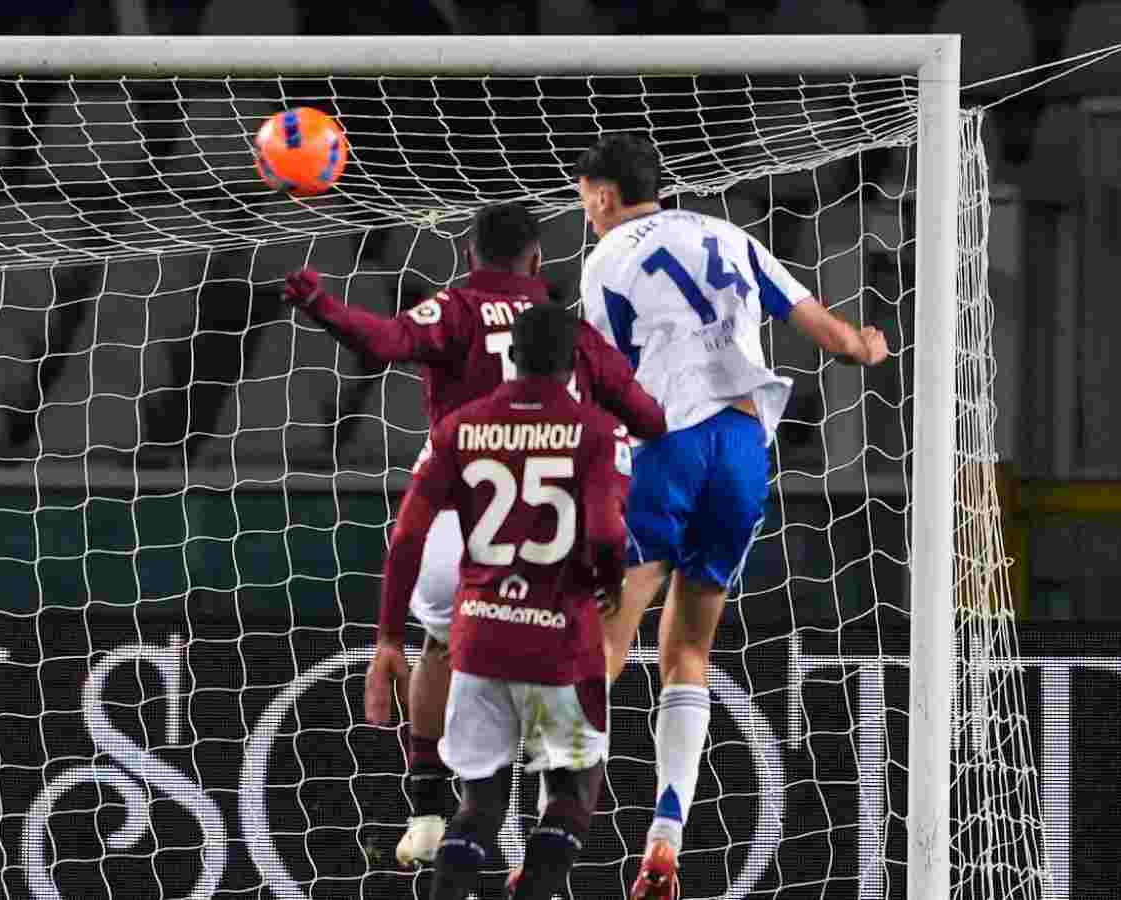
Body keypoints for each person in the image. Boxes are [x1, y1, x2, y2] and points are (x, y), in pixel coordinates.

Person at [285, 201, 664, 865]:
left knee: (439, 643)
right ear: (538, 261)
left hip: (460, 516)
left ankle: (430, 808)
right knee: (562, 655)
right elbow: (649, 419)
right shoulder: (572, 332)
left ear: (468, 255)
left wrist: (320, 304)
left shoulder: (454, 308)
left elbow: (380, 342)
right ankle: (553, 812)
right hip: (553, 530)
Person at [571, 132, 890, 899]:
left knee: (601, 645)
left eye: (585, 200)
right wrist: (869, 348)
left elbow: (605, 378)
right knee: (689, 650)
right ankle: (666, 836)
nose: (585, 214)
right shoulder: (732, 235)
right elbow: (832, 335)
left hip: (669, 446)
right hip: (745, 449)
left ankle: (552, 824)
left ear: (605, 196)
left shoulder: (605, 261)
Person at [374, 304, 632, 900]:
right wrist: (611, 582)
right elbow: (606, 531)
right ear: (573, 363)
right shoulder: (599, 430)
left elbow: (408, 537)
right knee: (572, 788)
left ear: (510, 358)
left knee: (479, 802)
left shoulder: (460, 426)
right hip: (557, 639)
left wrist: (389, 634)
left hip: (480, 636)